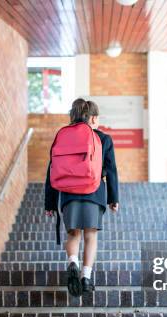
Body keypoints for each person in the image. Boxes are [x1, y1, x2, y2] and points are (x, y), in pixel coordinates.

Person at [45, 99, 119, 296]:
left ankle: (72, 261)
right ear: (93, 118)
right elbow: (111, 169)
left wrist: (50, 202)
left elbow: (51, 170)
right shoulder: (104, 139)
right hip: (93, 191)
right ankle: (86, 277)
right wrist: (113, 198)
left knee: (73, 234)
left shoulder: (64, 136)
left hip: (68, 192)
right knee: (90, 236)